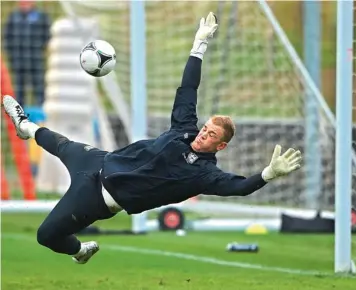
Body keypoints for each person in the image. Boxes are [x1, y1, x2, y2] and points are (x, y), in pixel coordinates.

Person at [2, 12, 302, 265]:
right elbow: (188, 89)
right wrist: (200, 44)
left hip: (98, 198)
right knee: (61, 144)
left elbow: (240, 187)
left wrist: (268, 174)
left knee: (46, 235)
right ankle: (25, 126)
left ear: (220, 146)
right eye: (205, 127)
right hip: (99, 160)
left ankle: (79, 251)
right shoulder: (184, 129)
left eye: (211, 134)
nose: (203, 134)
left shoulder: (204, 175)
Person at [3, 0, 50, 107]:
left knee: (39, 90)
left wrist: (40, 48)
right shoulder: (13, 17)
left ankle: (41, 115)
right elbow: (7, 37)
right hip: (18, 61)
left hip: (36, 60)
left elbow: (47, 35)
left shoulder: (41, 16)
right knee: (19, 92)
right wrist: (12, 55)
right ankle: (20, 119)